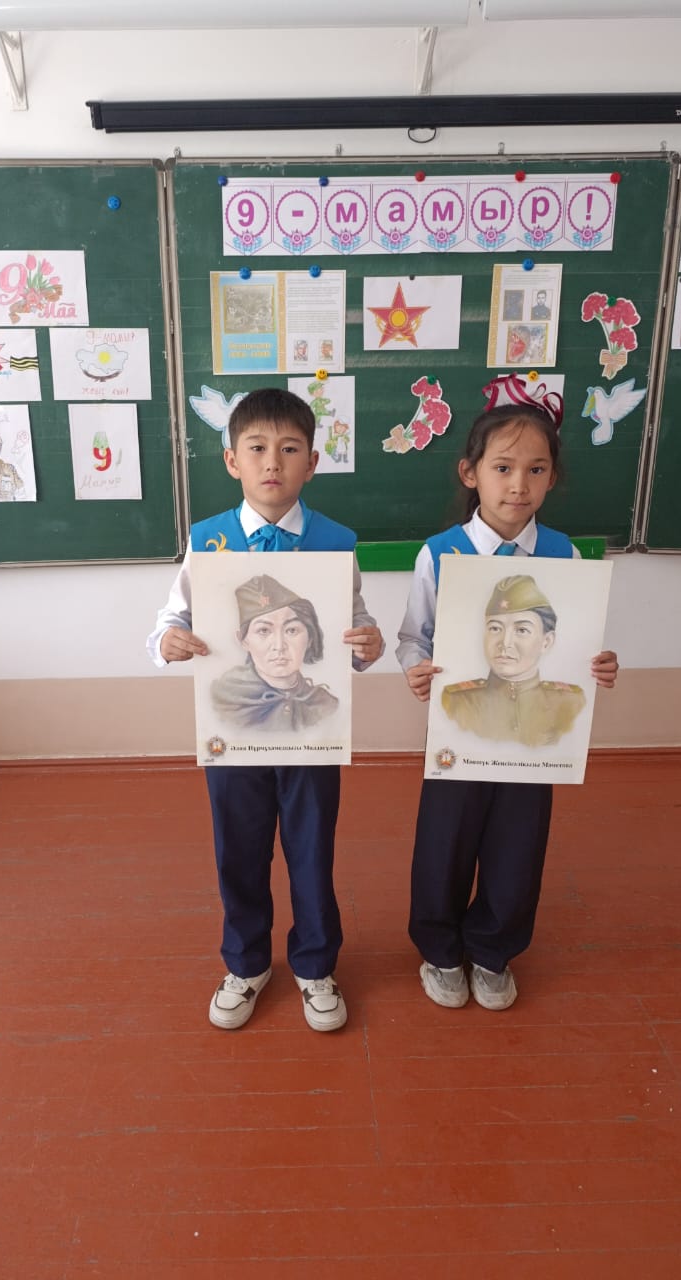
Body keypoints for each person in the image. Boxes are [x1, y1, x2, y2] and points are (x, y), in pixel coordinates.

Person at [147, 387, 383, 1033]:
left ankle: (315, 965)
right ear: (232, 461)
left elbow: (354, 623)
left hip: (312, 736)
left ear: (312, 462)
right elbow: (171, 618)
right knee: (239, 852)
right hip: (234, 735)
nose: (272, 461)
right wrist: (167, 642)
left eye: (289, 448)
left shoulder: (335, 542)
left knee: (311, 851)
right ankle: (246, 964)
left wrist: (368, 644)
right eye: (256, 448)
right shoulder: (209, 541)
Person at [396, 374, 618, 1014]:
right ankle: (441, 949)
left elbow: (575, 643)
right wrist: (416, 668)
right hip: (459, 731)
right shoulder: (439, 554)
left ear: (552, 479)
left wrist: (599, 664)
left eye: (535, 470)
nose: (518, 484)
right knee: (445, 842)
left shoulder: (564, 555)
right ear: (471, 473)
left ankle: (493, 950)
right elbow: (413, 638)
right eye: (503, 467)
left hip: (536, 740)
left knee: (518, 845)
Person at [442, 573, 585, 748]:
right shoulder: (456, 702)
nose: (505, 643)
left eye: (522, 630)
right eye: (495, 628)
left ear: (546, 642)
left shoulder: (571, 702)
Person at [211, 573, 339, 732]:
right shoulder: (223, 700)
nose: (279, 646)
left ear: (310, 638)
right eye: (264, 631)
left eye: (291, 630)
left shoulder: (327, 705)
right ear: (243, 640)